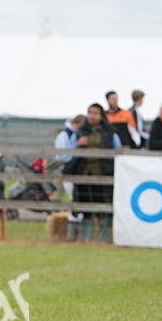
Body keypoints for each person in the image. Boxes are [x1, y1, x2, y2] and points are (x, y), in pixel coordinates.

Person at [66, 103, 121, 242]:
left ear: (101, 116)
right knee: (86, 209)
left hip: (104, 174)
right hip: (84, 173)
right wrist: (77, 144)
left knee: (104, 208)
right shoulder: (79, 133)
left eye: (96, 113)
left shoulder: (110, 133)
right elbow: (66, 152)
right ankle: (87, 238)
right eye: (90, 113)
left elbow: (118, 151)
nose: (92, 116)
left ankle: (105, 238)